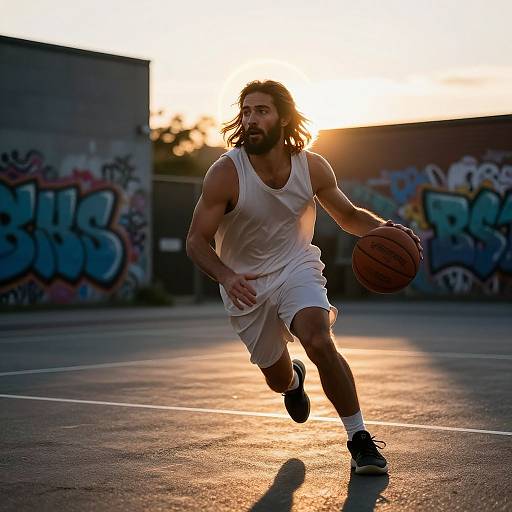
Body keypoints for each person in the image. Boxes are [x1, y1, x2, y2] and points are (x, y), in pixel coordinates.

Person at [186, 80, 423, 475]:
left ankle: (359, 439)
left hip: (297, 265)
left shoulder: (311, 166)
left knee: (318, 339)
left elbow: (348, 217)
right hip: (245, 284)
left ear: (283, 117)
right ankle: (293, 382)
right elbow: (196, 241)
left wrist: (387, 231)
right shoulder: (226, 173)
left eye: (261, 110)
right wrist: (226, 277)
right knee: (277, 379)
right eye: (246, 111)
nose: (251, 119)